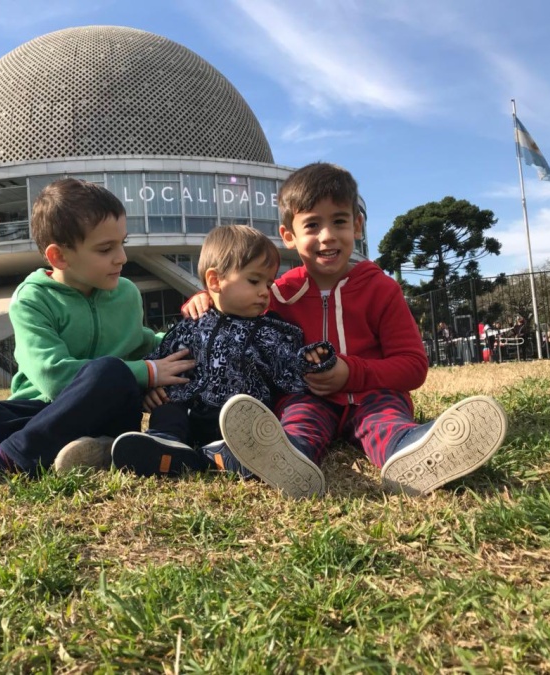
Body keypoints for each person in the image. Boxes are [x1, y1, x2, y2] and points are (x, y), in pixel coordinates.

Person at [186, 162, 508, 497]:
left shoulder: (380, 289)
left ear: (357, 225)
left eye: (338, 221)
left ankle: (416, 449)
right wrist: (207, 297)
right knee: (296, 423)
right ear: (289, 237)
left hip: (373, 394)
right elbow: (236, 305)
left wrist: (350, 373)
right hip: (306, 396)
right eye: (311, 225)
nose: (327, 236)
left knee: (386, 424)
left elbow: (413, 366)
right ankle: (286, 459)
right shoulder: (277, 294)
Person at [0, 178, 195, 495]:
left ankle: (2, 460)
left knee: (110, 372)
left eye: (123, 243)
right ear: (59, 257)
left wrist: (198, 320)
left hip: (105, 412)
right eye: (106, 248)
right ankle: (84, 450)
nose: (122, 257)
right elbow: (53, 377)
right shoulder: (31, 299)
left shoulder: (127, 293)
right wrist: (146, 372)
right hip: (38, 411)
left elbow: (148, 344)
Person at [111, 225, 335, 498]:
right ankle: (166, 443)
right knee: (169, 405)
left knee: (247, 429)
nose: (265, 292)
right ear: (215, 281)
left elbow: (288, 369)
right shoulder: (191, 326)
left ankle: (225, 458)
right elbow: (162, 358)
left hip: (239, 421)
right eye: (254, 281)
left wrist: (311, 359)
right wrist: (151, 390)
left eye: (269, 283)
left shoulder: (271, 331)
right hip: (191, 414)